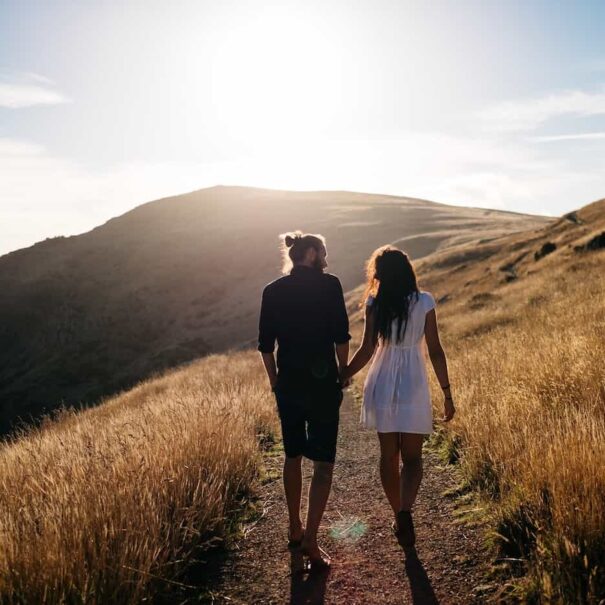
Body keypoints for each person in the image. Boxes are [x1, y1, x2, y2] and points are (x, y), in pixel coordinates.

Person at [340, 245, 455, 548]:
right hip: (413, 382)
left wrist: (344, 374)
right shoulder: (425, 301)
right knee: (414, 458)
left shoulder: (375, 303)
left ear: (379, 274)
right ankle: (405, 511)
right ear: (407, 271)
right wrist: (447, 393)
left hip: (383, 380)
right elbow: (435, 350)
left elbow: (366, 350)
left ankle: (398, 514)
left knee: (388, 455)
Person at [257, 231, 351, 571]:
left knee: (292, 455)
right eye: (323, 251)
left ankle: (294, 526)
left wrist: (275, 382)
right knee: (323, 464)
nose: (326, 258)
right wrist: (343, 370)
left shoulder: (272, 291)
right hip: (323, 385)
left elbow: (265, 346)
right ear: (311, 253)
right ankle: (311, 536)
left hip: (289, 387)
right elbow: (342, 334)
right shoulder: (330, 286)